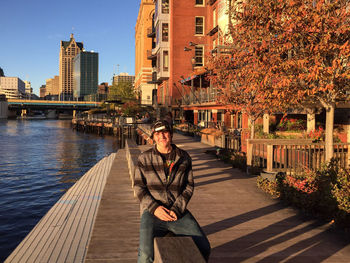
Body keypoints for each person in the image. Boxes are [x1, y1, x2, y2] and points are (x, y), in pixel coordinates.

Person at [134, 120, 211, 262]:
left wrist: (177, 209)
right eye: (157, 133)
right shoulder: (144, 158)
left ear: (171, 134)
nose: (161, 136)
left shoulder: (183, 157)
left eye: (165, 132)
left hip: (177, 213)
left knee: (204, 247)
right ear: (153, 137)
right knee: (145, 254)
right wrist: (155, 208)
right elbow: (139, 187)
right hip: (153, 213)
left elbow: (189, 186)